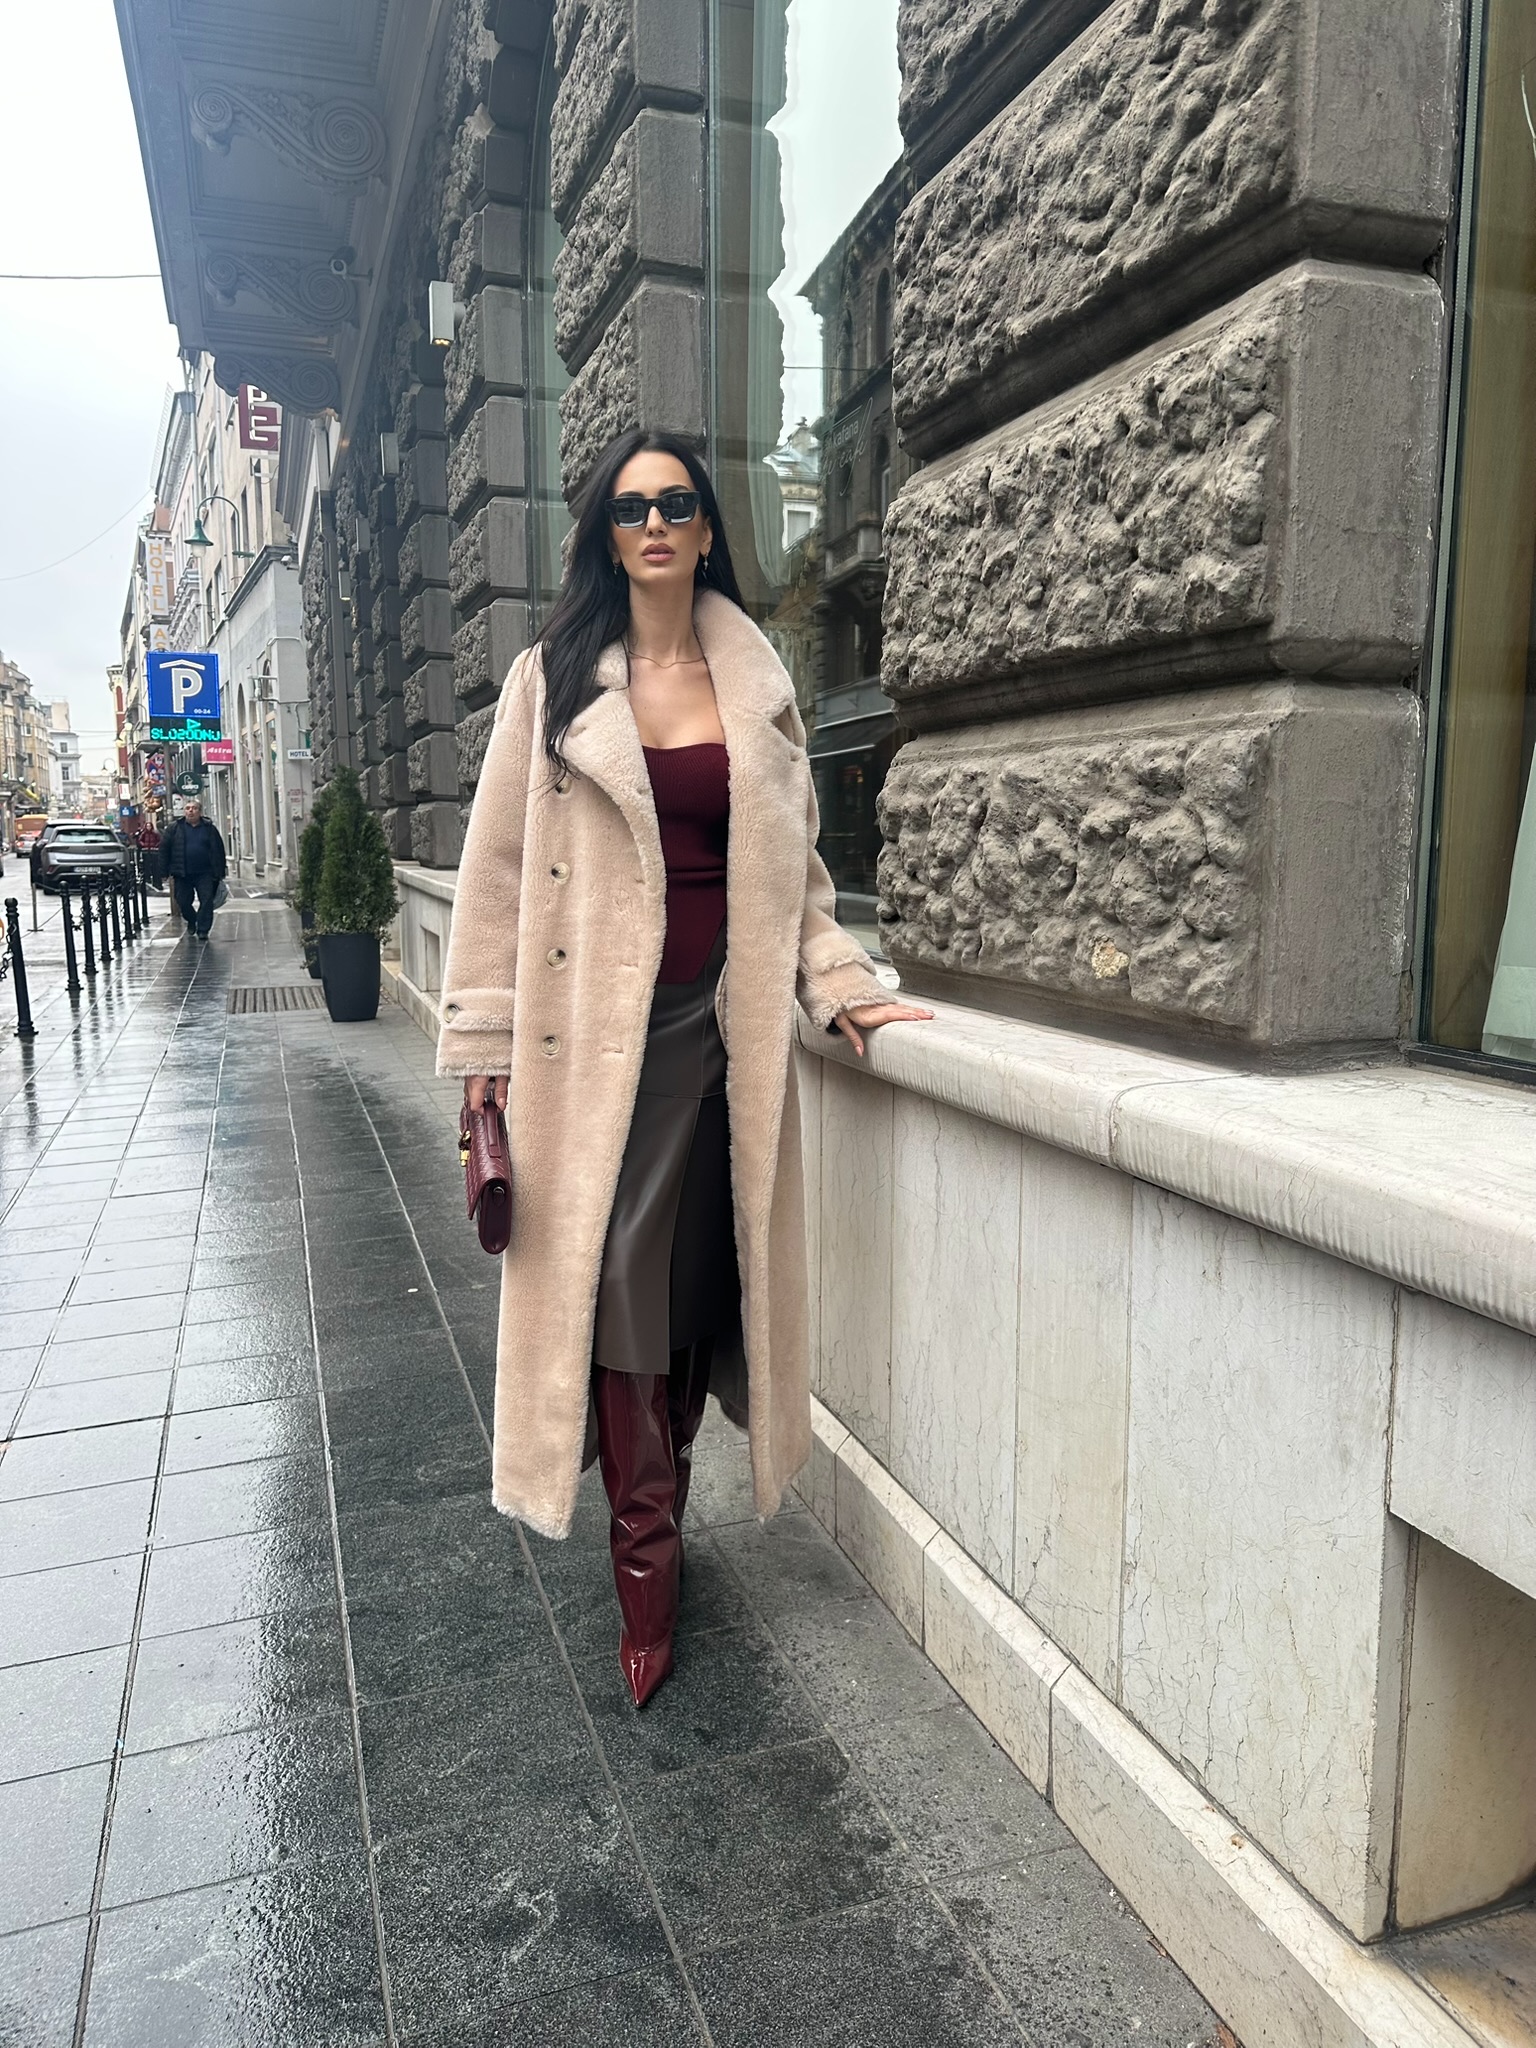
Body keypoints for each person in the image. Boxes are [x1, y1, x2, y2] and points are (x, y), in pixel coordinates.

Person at [437, 428, 931, 1707]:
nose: (653, 523)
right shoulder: (552, 681)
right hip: (594, 1045)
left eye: (676, 504)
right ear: (607, 537)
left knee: (694, 1298)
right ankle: (645, 1576)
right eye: (629, 508)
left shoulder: (758, 684)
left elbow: (799, 877)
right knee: (615, 1295)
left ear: (709, 530)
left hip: (724, 1041)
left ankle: (668, 1498)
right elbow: (494, 873)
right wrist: (483, 1048)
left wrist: (841, 983)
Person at [161, 797, 227, 940]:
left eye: (194, 808)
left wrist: (221, 871)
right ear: (184, 812)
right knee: (183, 901)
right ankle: (192, 919)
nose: (191, 811)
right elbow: (164, 850)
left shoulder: (209, 828)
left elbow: (218, 850)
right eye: (188, 808)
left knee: (207, 900)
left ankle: (203, 929)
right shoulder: (174, 828)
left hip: (205, 872)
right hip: (182, 873)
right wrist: (163, 871)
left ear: (200, 812)